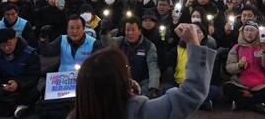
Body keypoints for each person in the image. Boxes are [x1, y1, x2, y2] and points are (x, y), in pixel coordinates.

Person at [68, 23, 216, 119]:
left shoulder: (76, 115)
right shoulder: (140, 112)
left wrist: (143, 87)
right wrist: (193, 44)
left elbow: (153, 67)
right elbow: (190, 95)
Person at [0, 28, 41, 118]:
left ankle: (2, 108)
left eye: (9, 44)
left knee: (34, 94)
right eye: (3, 46)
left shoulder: (30, 53)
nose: (6, 48)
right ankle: (13, 109)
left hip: (22, 88)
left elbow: (34, 76)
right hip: (5, 88)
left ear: (15, 39)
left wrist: (17, 84)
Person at [223, 20, 265, 114]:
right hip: (241, 85)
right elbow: (229, 68)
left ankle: (241, 103)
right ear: (242, 32)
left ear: (257, 33)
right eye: (247, 30)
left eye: (252, 30)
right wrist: (239, 65)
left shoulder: (263, 47)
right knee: (226, 88)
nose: (249, 33)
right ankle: (256, 104)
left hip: (260, 86)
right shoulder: (236, 48)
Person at [108, 16, 161, 98]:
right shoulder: (119, 41)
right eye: (128, 30)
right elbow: (106, 42)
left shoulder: (149, 46)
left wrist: (153, 87)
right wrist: (104, 31)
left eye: (133, 30)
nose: (130, 33)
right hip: (122, 82)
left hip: (142, 83)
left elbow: (153, 68)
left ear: (139, 31)